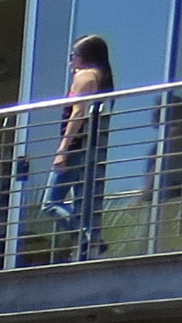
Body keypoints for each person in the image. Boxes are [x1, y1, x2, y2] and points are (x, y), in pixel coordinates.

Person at [45, 34, 113, 259]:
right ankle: (88, 244)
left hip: (77, 146)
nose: (71, 60)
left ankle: (91, 237)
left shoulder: (84, 77)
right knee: (84, 201)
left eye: (73, 56)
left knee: (51, 202)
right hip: (93, 146)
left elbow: (77, 112)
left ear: (84, 58)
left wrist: (63, 148)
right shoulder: (102, 77)